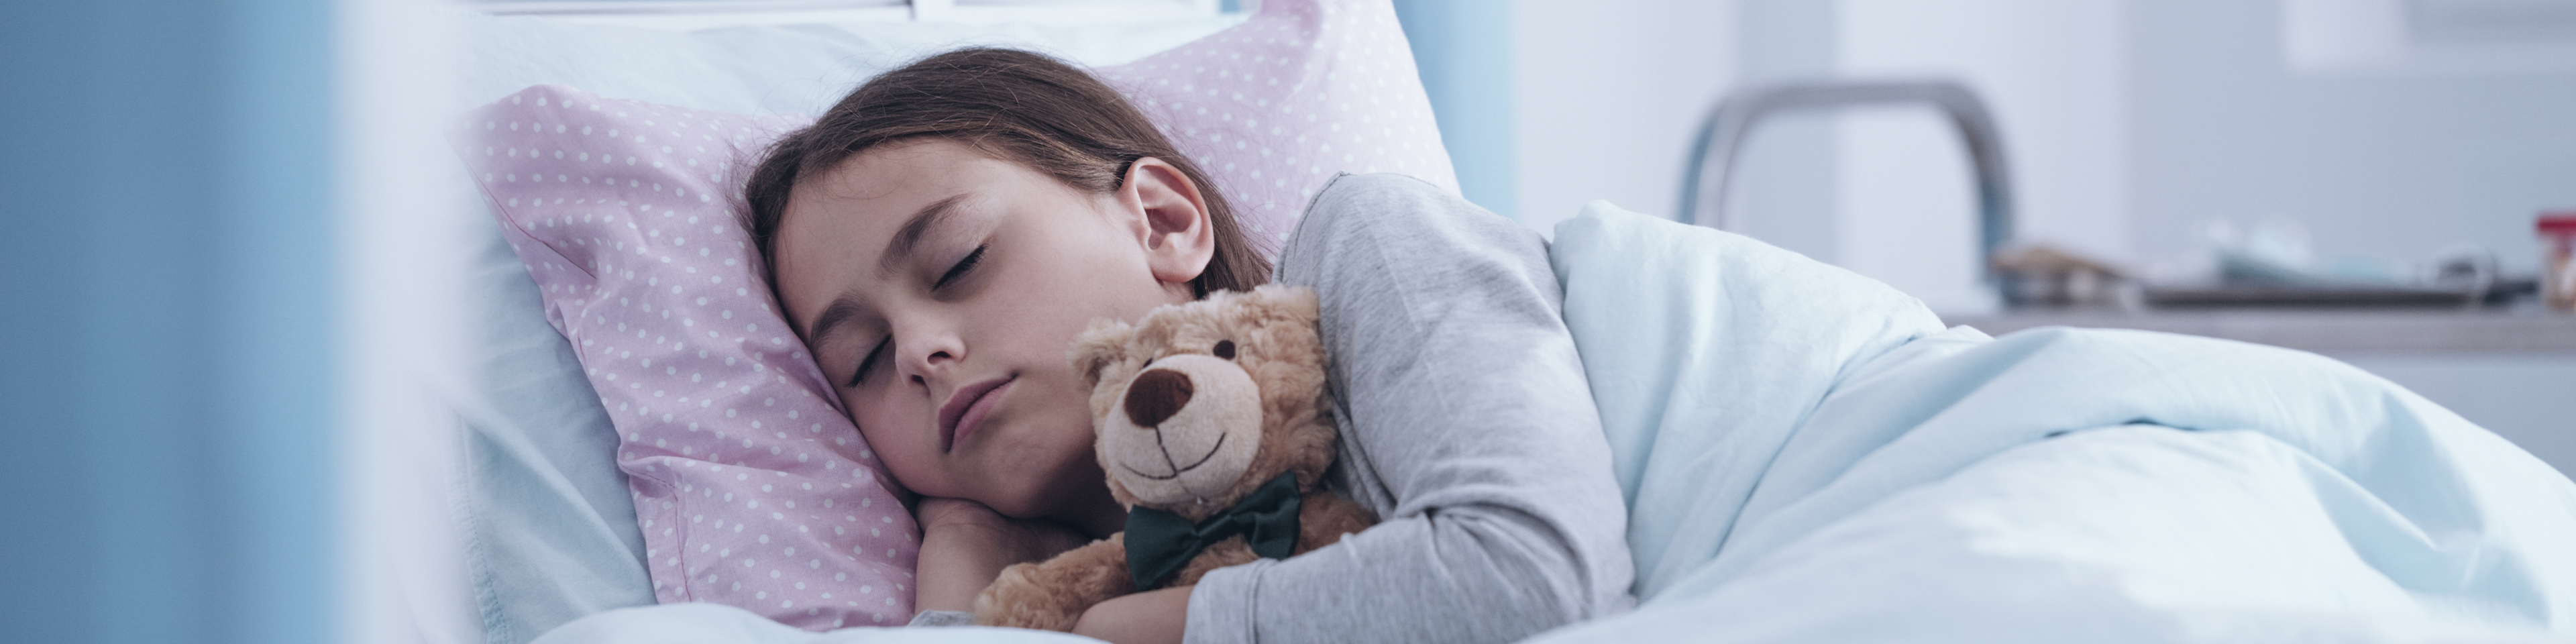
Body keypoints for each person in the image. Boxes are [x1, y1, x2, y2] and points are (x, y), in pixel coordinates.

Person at [744, 48, 1633, 644]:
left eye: (959, 260)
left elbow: (1534, 568)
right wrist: (962, 588)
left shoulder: (1364, 246)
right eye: (861, 361)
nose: (915, 353)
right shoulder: (1084, 576)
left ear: (1164, 223)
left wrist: (1113, 628)